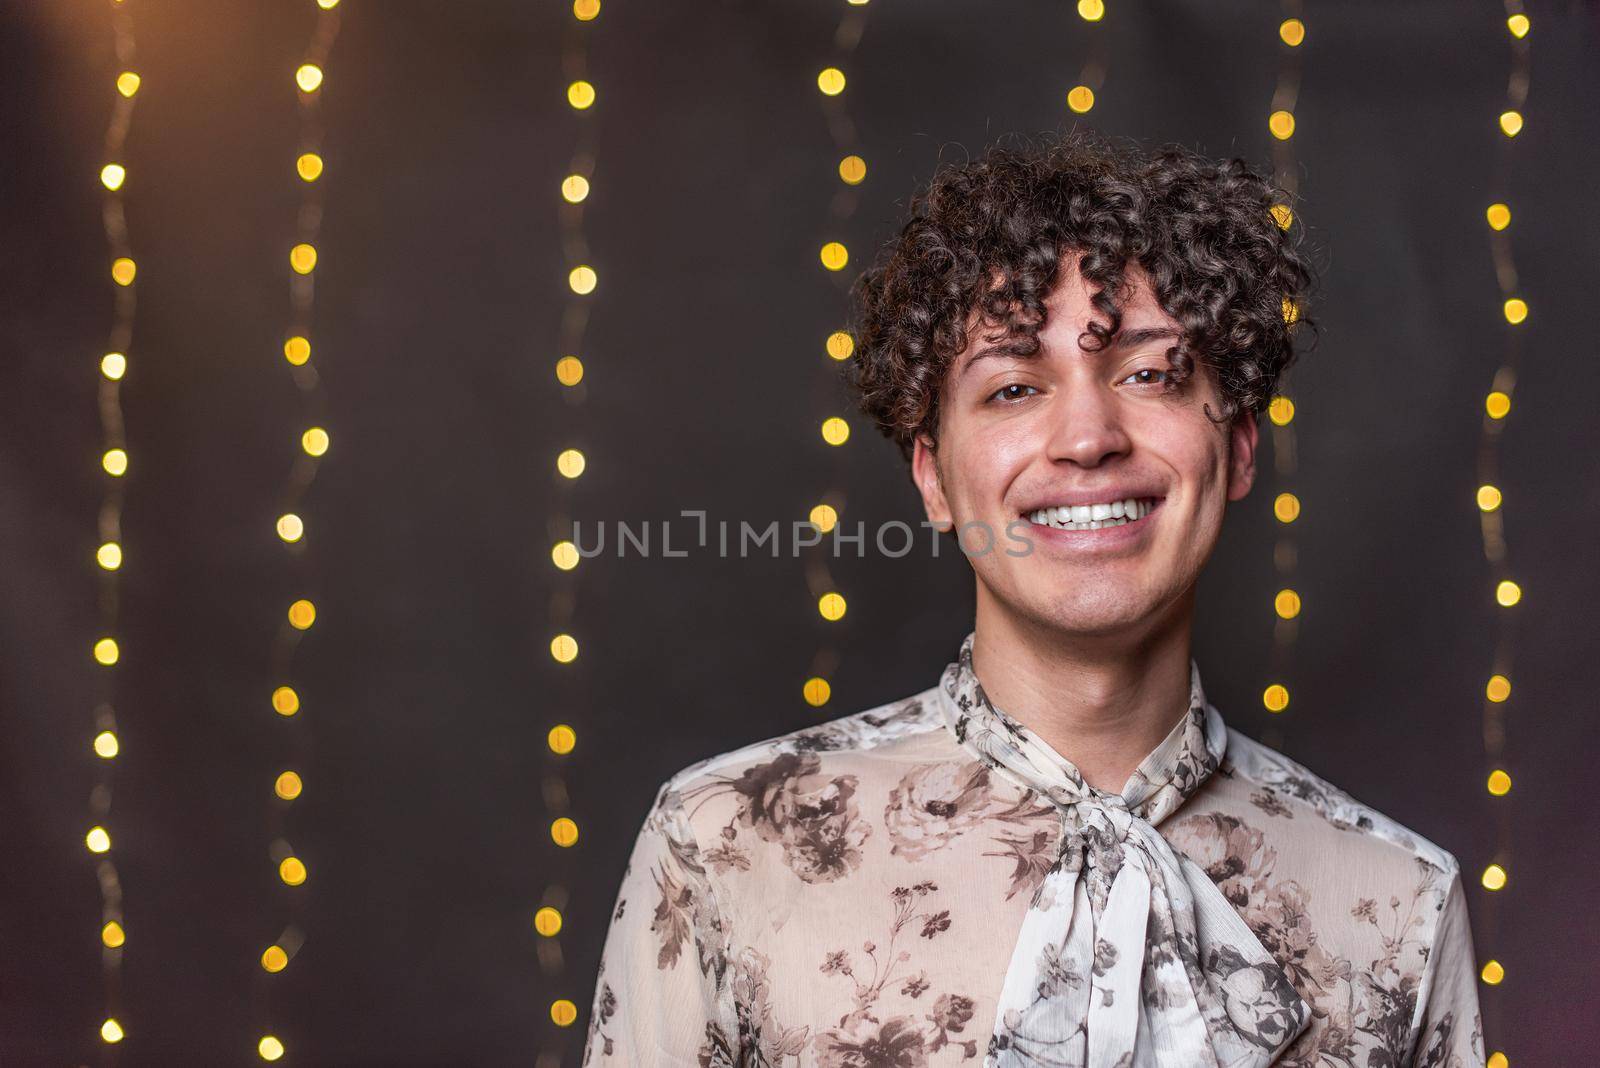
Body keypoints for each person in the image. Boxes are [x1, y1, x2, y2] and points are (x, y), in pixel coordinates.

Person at [580, 130, 1484, 1067]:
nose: (1087, 437)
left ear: (1241, 443)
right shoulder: (724, 847)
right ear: (933, 478)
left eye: (1148, 373)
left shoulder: (1400, 903)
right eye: (1013, 387)